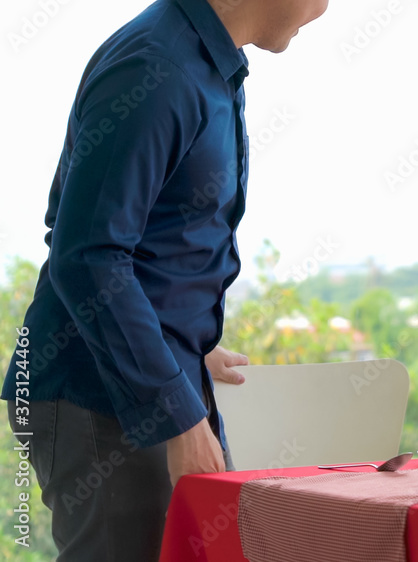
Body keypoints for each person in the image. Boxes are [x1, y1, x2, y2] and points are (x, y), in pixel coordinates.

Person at [1, 0, 328, 559]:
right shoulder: (160, 68)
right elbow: (87, 253)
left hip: (142, 379)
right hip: (99, 395)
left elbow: (141, 238)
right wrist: (177, 415)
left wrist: (184, 340)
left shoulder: (206, 65)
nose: (325, 10)